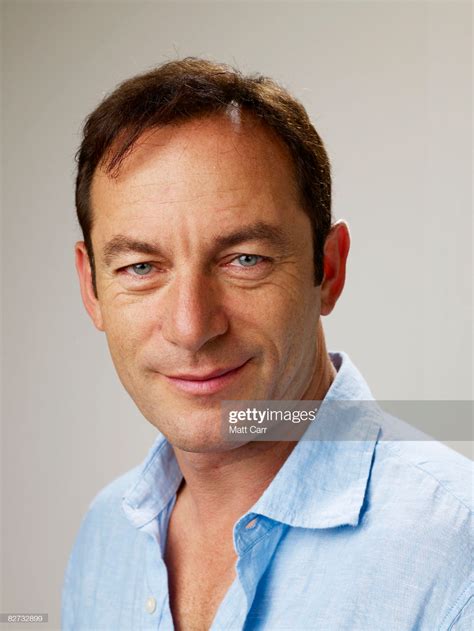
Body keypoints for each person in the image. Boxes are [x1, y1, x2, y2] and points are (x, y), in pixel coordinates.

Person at [62, 58, 472, 631]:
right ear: (92, 289)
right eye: (140, 267)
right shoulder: (105, 537)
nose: (191, 325)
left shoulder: (458, 552)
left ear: (327, 269)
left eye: (245, 260)